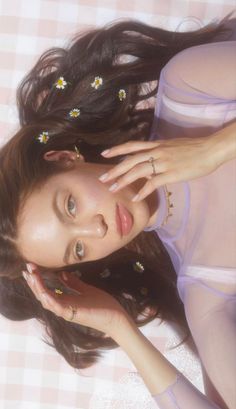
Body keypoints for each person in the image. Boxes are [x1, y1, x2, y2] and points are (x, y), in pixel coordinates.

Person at [0, 17, 235, 409]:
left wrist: (213, 150)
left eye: (70, 205)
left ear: (64, 158)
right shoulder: (204, 293)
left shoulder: (190, 93)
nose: (97, 229)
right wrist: (121, 328)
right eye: (77, 250)